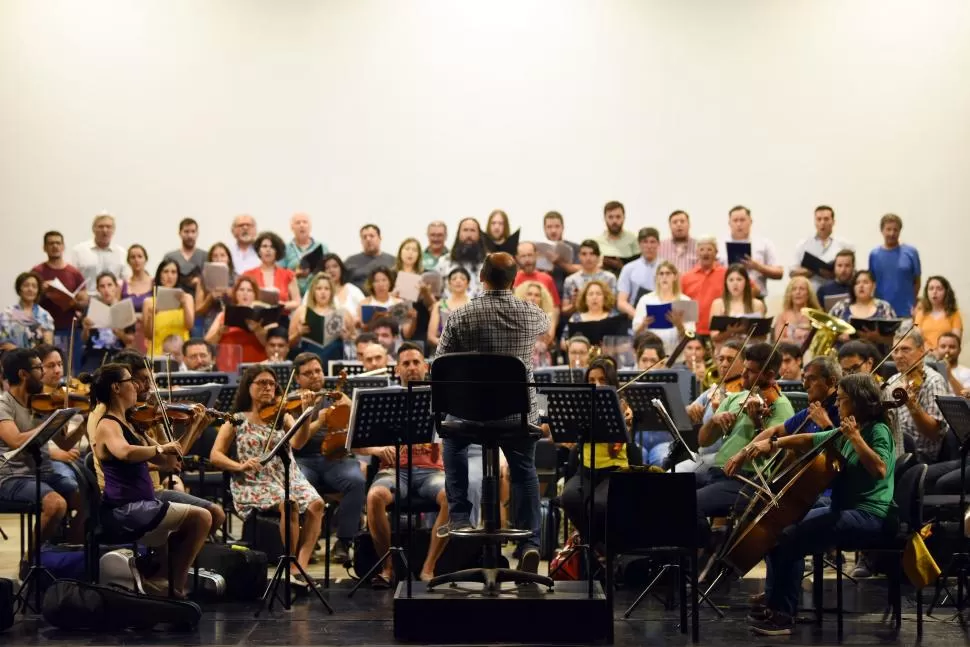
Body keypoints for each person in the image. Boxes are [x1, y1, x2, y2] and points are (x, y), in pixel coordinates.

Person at [733, 373, 896, 635]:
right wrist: (772, 443)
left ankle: (783, 617)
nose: (839, 405)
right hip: (842, 509)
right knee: (778, 531)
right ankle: (775, 604)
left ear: (857, 402)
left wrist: (855, 438)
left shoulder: (877, 431)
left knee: (790, 538)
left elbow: (879, 469)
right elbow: (808, 439)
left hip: (868, 515)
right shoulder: (846, 430)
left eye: (842, 400)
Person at [435, 252, 550, 574]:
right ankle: (530, 543)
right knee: (524, 468)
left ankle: (459, 516)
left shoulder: (461, 315)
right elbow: (547, 323)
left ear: (481, 277)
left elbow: (439, 364)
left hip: (470, 416)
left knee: (453, 444)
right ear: (514, 280)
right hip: (518, 416)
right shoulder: (531, 313)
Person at [87, 363, 211, 597]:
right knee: (202, 517)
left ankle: (162, 582)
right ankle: (173, 587)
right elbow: (124, 451)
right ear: (116, 388)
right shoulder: (107, 424)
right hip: (124, 510)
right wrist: (160, 448)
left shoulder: (131, 423)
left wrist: (194, 426)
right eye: (130, 381)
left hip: (143, 505)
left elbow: (170, 461)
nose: (136, 386)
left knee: (199, 520)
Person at [209, 366, 324, 583]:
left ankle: (300, 564)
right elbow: (215, 455)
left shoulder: (282, 415)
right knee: (288, 503)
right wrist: (240, 466)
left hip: (288, 474)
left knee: (316, 504)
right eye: (262, 383)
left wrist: (307, 414)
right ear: (248, 387)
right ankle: (290, 564)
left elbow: (298, 442)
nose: (268, 388)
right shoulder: (236, 419)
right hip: (254, 479)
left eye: (271, 384)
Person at [358, 343, 450, 587]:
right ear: (397, 368)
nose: (411, 368)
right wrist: (378, 449)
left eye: (416, 362)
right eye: (406, 364)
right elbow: (356, 444)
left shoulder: (441, 399)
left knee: (452, 497)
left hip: (432, 472)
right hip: (393, 472)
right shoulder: (385, 400)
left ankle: (428, 568)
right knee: (375, 496)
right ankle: (387, 568)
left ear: (426, 366)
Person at [694, 342, 795, 544]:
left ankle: (711, 552)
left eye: (750, 372)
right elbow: (703, 440)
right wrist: (714, 420)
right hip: (718, 473)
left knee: (690, 503)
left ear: (769, 374)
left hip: (746, 481)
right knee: (668, 491)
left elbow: (771, 452)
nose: (743, 376)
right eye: (745, 369)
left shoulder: (780, 405)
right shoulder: (737, 397)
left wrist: (758, 422)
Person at [0, 349, 85, 552]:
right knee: (56, 505)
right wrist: (49, 421)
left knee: (86, 497)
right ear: (23, 374)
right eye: (39, 368)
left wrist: (83, 424)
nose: (44, 373)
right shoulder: (4, 405)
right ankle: (31, 560)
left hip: (43, 471)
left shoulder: (41, 402)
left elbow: (65, 444)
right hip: (12, 477)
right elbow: (15, 441)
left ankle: (71, 550)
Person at [289, 353, 365, 564]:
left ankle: (344, 541)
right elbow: (297, 441)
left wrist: (349, 407)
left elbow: (354, 429)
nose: (315, 376)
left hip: (335, 458)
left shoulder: (335, 395)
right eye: (308, 373)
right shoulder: (292, 402)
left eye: (318, 371)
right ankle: (306, 544)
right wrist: (318, 419)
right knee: (298, 483)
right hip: (303, 459)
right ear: (297, 378)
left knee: (356, 481)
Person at [724, 356, 842, 480]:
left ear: (831, 381)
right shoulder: (815, 410)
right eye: (804, 379)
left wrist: (826, 424)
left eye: (811, 379)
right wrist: (743, 453)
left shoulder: (841, 411)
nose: (805, 385)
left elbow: (841, 453)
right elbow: (774, 431)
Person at [559, 358, 633, 550]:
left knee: (599, 505)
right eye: (592, 381)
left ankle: (598, 548)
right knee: (569, 498)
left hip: (614, 471)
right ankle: (594, 546)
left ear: (611, 383)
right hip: (585, 471)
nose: (597, 385)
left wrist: (625, 422)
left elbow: (614, 447)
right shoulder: (582, 406)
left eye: (602, 380)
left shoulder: (622, 405)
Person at [885, 327, 948, 464]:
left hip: (921, 458)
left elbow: (933, 434)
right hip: (894, 451)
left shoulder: (933, 381)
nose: (899, 355)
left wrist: (912, 405)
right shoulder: (892, 381)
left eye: (905, 349)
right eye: (895, 350)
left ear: (921, 351)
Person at [32, 231, 89, 353]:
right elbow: (29, 299)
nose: (55, 246)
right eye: (51, 243)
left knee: (70, 367)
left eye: (58, 243)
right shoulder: (37, 272)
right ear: (44, 247)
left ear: (63, 247)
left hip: (70, 328)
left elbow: (85, 302)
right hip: (44, 328)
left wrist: (76, 302)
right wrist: (41, 290)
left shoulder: (74, 272)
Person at [204, 276, 273, 365]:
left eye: (249, 290)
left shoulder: (262, 316)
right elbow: (207, 344)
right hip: (229, 364)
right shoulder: (223, 315)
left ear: (255, 295)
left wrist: (258, 330)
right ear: (235, 293)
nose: (245, 293)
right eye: (241, 290)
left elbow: (270, 345)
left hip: (256, 365)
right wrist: (219, 332)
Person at [719, 206, 783, 297]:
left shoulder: (763, 243)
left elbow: (779, 273)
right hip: (727, 298)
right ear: (729, 223)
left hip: (755, 297)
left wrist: (758, 267)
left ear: (750, 221)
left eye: (742, 220)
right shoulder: (719, 245)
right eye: (735, 220)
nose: (739, 224)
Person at [632, 261, 692, 356]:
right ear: (657, 278)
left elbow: (691, 337)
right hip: (652, 355)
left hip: (678, 356)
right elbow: (635, 332)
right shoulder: (645, 299)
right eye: (661, 274)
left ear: (675, 277)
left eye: (668, 273)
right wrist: (644, 324)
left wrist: (679, 325)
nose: (664, 277)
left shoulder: (686, 301)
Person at [789, 205, 853, 292]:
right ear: (815, 222)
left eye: (826, 219)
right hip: (810, 294)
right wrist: (815, 270)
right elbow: (792, 273)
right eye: (819, 219)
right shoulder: (803, 245)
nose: (822, 223)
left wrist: (836, 271)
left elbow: (853, 272)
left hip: (836, 293)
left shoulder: (844, 245)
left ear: (833, 222)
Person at [81, 272, 136, 371]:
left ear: (116, 287)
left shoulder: (124, 308)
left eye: (109, 285)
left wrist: (120, 334)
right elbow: (84, 339)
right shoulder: (90, 309)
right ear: (98, 289)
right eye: (102, 286)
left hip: (117, 355)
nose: (106, 290)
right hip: (94, 355)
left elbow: (130, 340)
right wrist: (86, 329)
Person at [869, 213, 921, 316]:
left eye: (895, 230)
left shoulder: (911, 252)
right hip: (882, 312)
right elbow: (872, 283)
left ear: (899, 231)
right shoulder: (874, 255)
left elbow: (917, 282)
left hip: (906, 312)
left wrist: (913, 304)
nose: (892, 233)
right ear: (882, 230)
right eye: (888, 229)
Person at [828, 270, 896, 348]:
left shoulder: (884, 307)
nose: (861, 286)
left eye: (865, 282)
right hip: (844, 354)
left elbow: (896, 337)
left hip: (877, 356)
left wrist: (878, 338)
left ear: (874, 285)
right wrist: (839, 336)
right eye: (857, 283)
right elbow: (826, 330)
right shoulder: (841, 307)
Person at [288, 272, 354, 351]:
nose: (323, 292)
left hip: (334, 356)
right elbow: (288, 344)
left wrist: (346, 338)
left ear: (331, 292)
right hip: (308, 355)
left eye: (327, 289)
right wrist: (298, 334)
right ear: (313, 291)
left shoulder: (343, 313)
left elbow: (355, 341)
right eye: (319, 288)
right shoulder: (302, 311)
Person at [142, 260, 195, 357]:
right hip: (157, 353)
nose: (169, 276)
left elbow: (189, 326)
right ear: (159, 275)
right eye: (165, 272)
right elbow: (148, 335)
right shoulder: (149, 302)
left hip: (181, 354)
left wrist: (184, 304)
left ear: (178, 275)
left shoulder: (187, 298)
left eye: (173, 272)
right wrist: (151, 316)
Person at [71, 213, 131, 295]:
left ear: (113, 230)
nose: (105, 230)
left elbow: (126, 281)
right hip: (87, 300)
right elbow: (72, 279)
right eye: (101, 226)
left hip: (112, 301)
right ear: (93, 229)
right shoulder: (79, 251)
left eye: (108, 227)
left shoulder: (122, 253)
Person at [243, 232, 301, 312]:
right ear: (259, 251)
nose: (268, 250)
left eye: (272, 247)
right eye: (264, 246)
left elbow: (297, 302)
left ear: (277, 251)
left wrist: (282, 305)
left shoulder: (288, 274)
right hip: (255, 318)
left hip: (281, 318)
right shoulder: (248, 275)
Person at [680, 236, 727, 337]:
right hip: (693, 332)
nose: (705, 253)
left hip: (719, 333)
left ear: (716, 252)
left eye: (709, 249)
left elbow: (752, 289)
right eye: (702, 249)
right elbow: (681, 304)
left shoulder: (726, 274)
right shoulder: (686, 277)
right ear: (697, 253)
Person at [709, 264, 767, 344]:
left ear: (746, 282)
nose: (735, 283)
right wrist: (730, 332)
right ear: (726, 283)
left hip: (750, 350)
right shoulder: (718, 304)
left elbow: (763, 337)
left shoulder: (757, 304)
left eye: (739, 279)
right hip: (725, 351)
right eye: (731, 280)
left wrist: (745, 331)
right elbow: (714, 337)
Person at [561, 240, 616, 316]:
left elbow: (613, 305)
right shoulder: (570, 280)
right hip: (579, 321)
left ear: (598, 256)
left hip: (604, 320)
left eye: (592, 254)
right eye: (584, 254)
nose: (588, 258)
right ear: (579, 256)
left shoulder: (609, 278)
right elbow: (564, 310)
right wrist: (575, 305)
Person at [0, 272, 55, 348]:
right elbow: (3, 342)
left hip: (38, 358)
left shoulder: (44, 315)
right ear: (19, 289)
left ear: (38, 291)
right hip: (13, 357)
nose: (30, 289)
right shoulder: (8, 313)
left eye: (34, 286)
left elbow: (48, 344)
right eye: (26, 285)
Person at [435, 217, 486, 298]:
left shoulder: (488, 264)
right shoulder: (444, 262)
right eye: (465, 230)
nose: (469, 235)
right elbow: (435, 295)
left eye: (472, 230)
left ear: (479, 235)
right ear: (458, 234)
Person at [617, 227, 661, 319]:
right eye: (645, 242)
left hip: (661, 315)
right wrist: (638, 316)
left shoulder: (667, 269)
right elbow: (621, 302)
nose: (649, 246)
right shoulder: (629, 268)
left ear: (658, 244)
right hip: (635, 317)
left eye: (652, 242)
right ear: (639, 244)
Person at [561, 280, 619, 348]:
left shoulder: (614, 317)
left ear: (605, 297)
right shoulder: (575, 319)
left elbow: (625, 344)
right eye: (590, 294)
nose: (594, 297)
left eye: (598, 294)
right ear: (585, 299)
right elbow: (563, 343)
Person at [195, 242, 237, 334]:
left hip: (233, 323)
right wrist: (210, 298)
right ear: (210, 260)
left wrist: (232, 294)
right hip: (211, 324)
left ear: (228, 258)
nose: (219, 259)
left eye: (222, 255)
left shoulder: (237, 279)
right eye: (215, 256)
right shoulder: (203, 279)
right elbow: (198, 311)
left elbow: (244, 306)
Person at [282, 212, 328, 295]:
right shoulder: (285, 249)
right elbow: (278, 274)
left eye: (305, 222)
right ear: (292, 227)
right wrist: (295, 273)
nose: (301, 225)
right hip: (292, 295)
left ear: (310, 227)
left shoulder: (322, 247)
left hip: (318, 294)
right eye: (298, 223)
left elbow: (328, 270)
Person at [514, 281, 558, 367]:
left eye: (537, 295)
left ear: (542, 299)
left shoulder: (548, 317)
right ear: (524, 296)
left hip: (542, 359)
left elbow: (549, 340)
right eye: (529, 294)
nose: (533, 298)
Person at [538, 211, 581, 298]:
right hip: (545, 294)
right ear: (544, 229)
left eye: (557, 226)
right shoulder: (537, 249)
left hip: (570, 294)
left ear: (562, 227)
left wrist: (560, 262)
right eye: (549, 227)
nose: (553, 230)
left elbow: (581, 269)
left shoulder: (575, 248)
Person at [914, 276, 962, 350]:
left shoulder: (954, 314)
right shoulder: (920, 314)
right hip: (924, 356)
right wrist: (931, 352)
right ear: (927, 292)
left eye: (939, 289)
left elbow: (955, 341)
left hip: (946, 356)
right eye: (931, 288)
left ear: (946, 292)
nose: (934, 292)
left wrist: (940, 352)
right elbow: (917, 339)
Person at [428, 268, 471, 349]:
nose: (458, 281)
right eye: (454, 278)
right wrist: (448, 345)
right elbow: (431, 337)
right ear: (449, 283)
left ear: (468, 283)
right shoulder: (439, 305)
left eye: (462, 278)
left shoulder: (474, 304)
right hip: (444, 352)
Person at [344, 224, 396, 291]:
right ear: (361, 241)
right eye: (364, 237)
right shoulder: (350, 262)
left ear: (380, 238)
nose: (368, 239)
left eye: (372, 236)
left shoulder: (393, 261)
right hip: (357, 300)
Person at [163, 218, 207, 292]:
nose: (190, 235)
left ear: (197, 233)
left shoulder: (205, 256)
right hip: (175, 298)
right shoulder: (170, 257)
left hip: (200, 299)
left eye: (193, 231)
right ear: (180, 233)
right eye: (186, 232)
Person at [595, 201, 639, 272]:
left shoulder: (633, 239)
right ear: (604, 218)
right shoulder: (597, 242)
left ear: (624, 218)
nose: (614, 221)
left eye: (618, 217)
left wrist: (622, 266)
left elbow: (638, 266)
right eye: (610, 217)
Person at [513, 242, 560, 307]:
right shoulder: (511, 279)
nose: (527, 259)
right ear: (517, 258)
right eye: (523, 256)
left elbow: (555, 306)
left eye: (530, 255)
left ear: (536, 255)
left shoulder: (547, 279)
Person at [774, 276, 820, 343]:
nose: (798, 292)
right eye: (794, 289)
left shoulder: (816, 315)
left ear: (808, 294)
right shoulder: (782, 316)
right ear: (790, 294)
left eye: (802, 289)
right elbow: (778, 340)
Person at [658, 210, 699, 275]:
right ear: (670, 226)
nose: (679, 224)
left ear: (689, 224)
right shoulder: (660, 247)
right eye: (675, 222)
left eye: (682, 221)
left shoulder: (699, 246)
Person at [122, 244, 154, 315]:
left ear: (145, 259)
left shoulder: (154, 283)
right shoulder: (122, 285)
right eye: (133, 257)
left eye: (140, 256)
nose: (136, 260)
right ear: (128, 261)